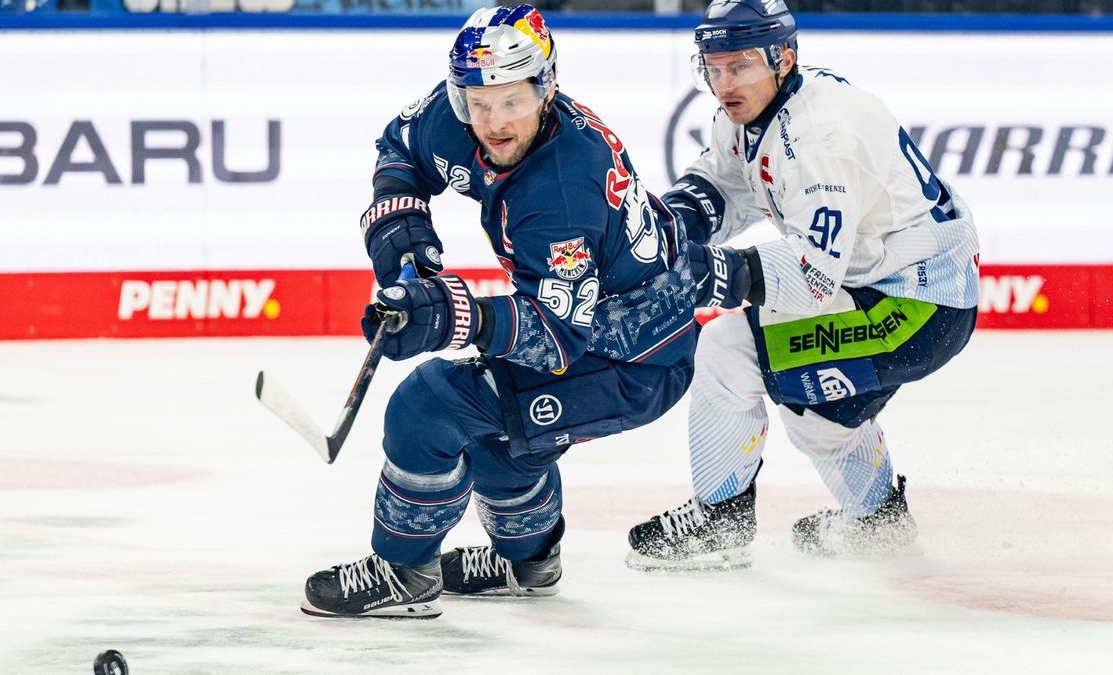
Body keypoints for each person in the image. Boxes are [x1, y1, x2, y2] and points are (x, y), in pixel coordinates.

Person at [301, 4, 698, 619]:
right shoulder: (462, 111)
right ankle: (530, 563)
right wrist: (400, 222)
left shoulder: (561, 192)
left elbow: (560, 339)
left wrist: (452, 314)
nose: (493, 122)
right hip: (596, 322)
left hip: (634, 357)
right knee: (506, 438)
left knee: (430, 404)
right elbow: (401, 143)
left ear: (546, 88)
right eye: (478, 104)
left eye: (511, 101)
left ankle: (404, 571)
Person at [626, 0, 980, 571]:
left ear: (782, 58)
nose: (723, 83)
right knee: (812, 405)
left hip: (913, 307)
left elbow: (815, 278)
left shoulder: (821, 138)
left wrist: (712, 274)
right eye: (712, 67)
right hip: (903, 292)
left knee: (729, 347)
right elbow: (724, 183)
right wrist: (671, 228)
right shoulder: (758, 108)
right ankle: (878, 523)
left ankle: (721, 517)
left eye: (738, 66)